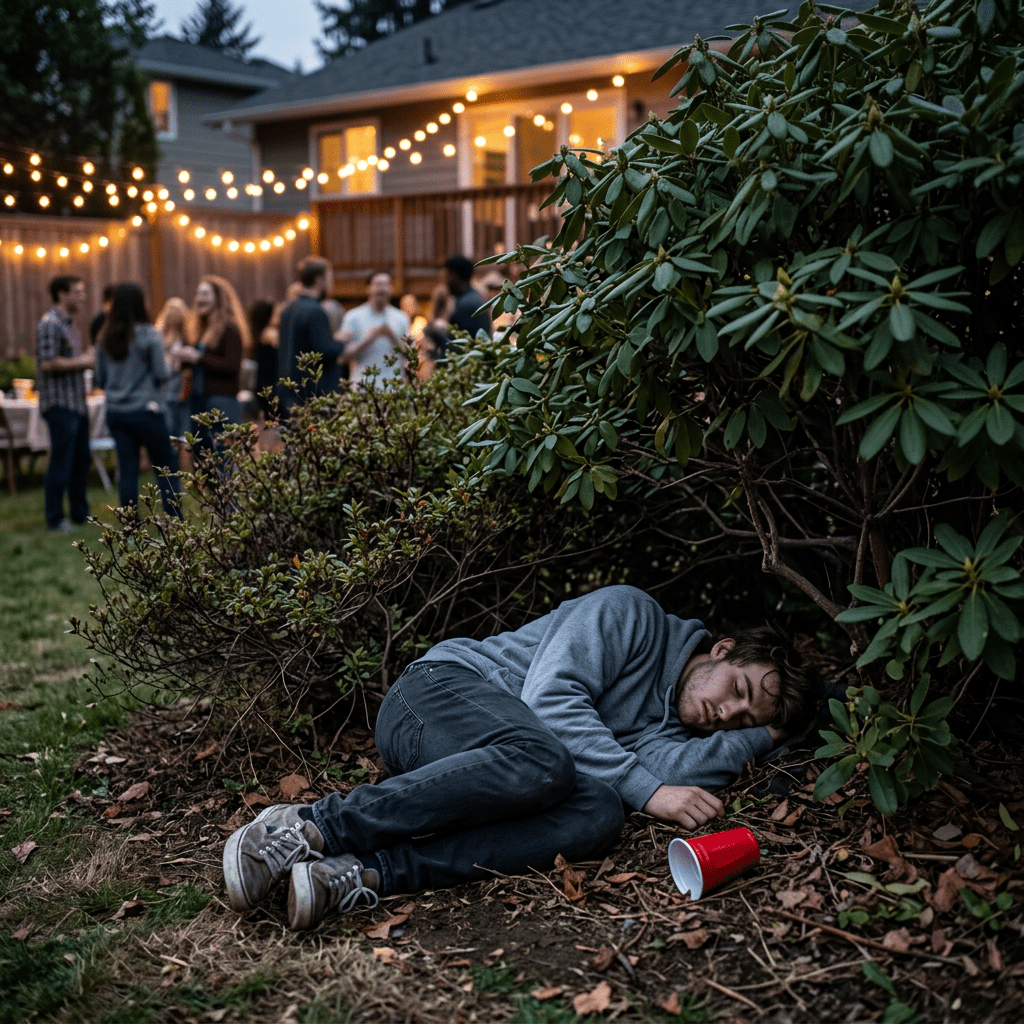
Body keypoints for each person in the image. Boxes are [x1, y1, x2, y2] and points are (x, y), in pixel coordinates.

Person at [221, 585, 820, 930]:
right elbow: (551, 701)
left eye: (743, 720)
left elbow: (671, 773)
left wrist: (771, 734)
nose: (727, 714)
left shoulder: (672, 724)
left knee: (599, 814)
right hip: (434, 696)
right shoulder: (630, 615)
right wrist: (649, 791)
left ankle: (361, 873)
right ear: (721, 649)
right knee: (548, 758)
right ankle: (309, 826)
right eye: (737, 692)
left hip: (490, 773)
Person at [94, 284, 182, 517]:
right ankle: (175, 519)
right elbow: (161, 374)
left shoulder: (104, 336)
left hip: (117, 413)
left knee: (128, 468)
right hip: (147, 410)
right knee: (165, 467)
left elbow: (99, 378)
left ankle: (131, 527)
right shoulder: (149, 334)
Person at [36, 275, 94, 531]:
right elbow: (48, 363)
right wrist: (85, 361)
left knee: (81, 461)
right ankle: (55, 518)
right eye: (77, 292)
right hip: (59, 405)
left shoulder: (70, 325)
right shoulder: (50, 324)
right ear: (62, 294)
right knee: (61, 461)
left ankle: (80, 514)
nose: (82, 296)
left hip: (77, 404)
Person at [182, 275, 251, 456]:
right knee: (200, 456)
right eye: (198, 294)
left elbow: (231, 365)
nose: (199, 298)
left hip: (221, 401)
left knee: (221, 457)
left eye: (205, 294)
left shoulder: (230, 329)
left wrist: (198, 357)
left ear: (219, 298)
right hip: (198, 399)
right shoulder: (201, 329)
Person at [277, 258, 348, 414]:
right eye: (330, 278)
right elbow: (324, 351)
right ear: (319, 279)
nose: (332, 283)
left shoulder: (288, 309)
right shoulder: (315, 311)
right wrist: (341, 341)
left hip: (290, 389)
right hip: (313, 390)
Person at [338, 271, 411, 385]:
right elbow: (342, 357)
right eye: (378, 284)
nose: (382, 289)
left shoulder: (402, 317)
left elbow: (411, 355)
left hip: (395, 387)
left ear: (391, 288)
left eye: (386, 285)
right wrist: (368, 339)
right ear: (368, 288)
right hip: (363, 387)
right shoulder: (353, 317)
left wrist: (393, 337)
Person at [154, 297, 196, 441]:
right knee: (167, 426)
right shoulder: (159, 335)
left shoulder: (188, 336)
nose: (174, 314)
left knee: (184, 429)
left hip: (183, 383)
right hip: (165, 384)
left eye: (177, 310)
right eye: (171, 310)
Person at [444, 254, 491, 339]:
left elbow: (459, 344)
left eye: (447, 276)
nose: (445, 281)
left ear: (454, 275)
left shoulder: (466, 305)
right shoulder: (474, 297)